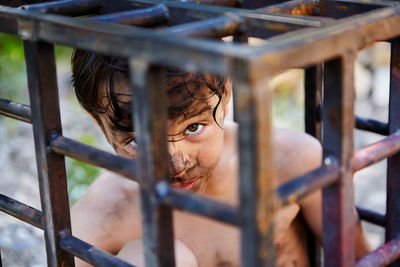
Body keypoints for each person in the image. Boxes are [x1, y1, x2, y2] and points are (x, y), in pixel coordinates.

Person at [70, 49, 372, 267]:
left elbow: (359, 257)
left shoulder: (286, 161)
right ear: (99, 124)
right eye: (139, 141)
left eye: (193, 127)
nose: (176, 163)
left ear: (225, 94)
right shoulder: (105, 214)